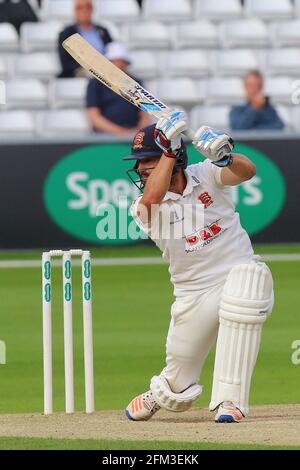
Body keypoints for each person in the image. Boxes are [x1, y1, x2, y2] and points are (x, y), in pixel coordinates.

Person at [123, 113, 274, 423]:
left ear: (175, 157)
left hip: (237, 271)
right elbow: (152, 197)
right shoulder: (142, 205)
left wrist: (226, 157)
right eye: (139, 162)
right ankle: (162, 391)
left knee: (249, 285)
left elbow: (247, 172)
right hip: (193, 292)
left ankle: (229, 401)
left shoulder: (205, 174)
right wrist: (166, 150)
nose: (140, 168)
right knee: (178, 383)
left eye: (147, 159)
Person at [86, 42, 150, 135]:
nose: (118, 65)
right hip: (104, 136)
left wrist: (138, 132)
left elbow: (145, 114)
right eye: (114, 61)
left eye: (121, 61)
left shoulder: (136, 83)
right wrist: (119, 132)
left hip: (132, 135)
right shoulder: (95, 83)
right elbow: (94, 117)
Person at [58, 0, 113, 78]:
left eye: (88, 7)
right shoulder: (66, 33)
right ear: (74, 11)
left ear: (92, 9)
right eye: (80, 7)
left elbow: (112, 52)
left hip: (105, 71)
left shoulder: (103, 31)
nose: (84, 10)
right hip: (81, 73)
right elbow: (66, 63)